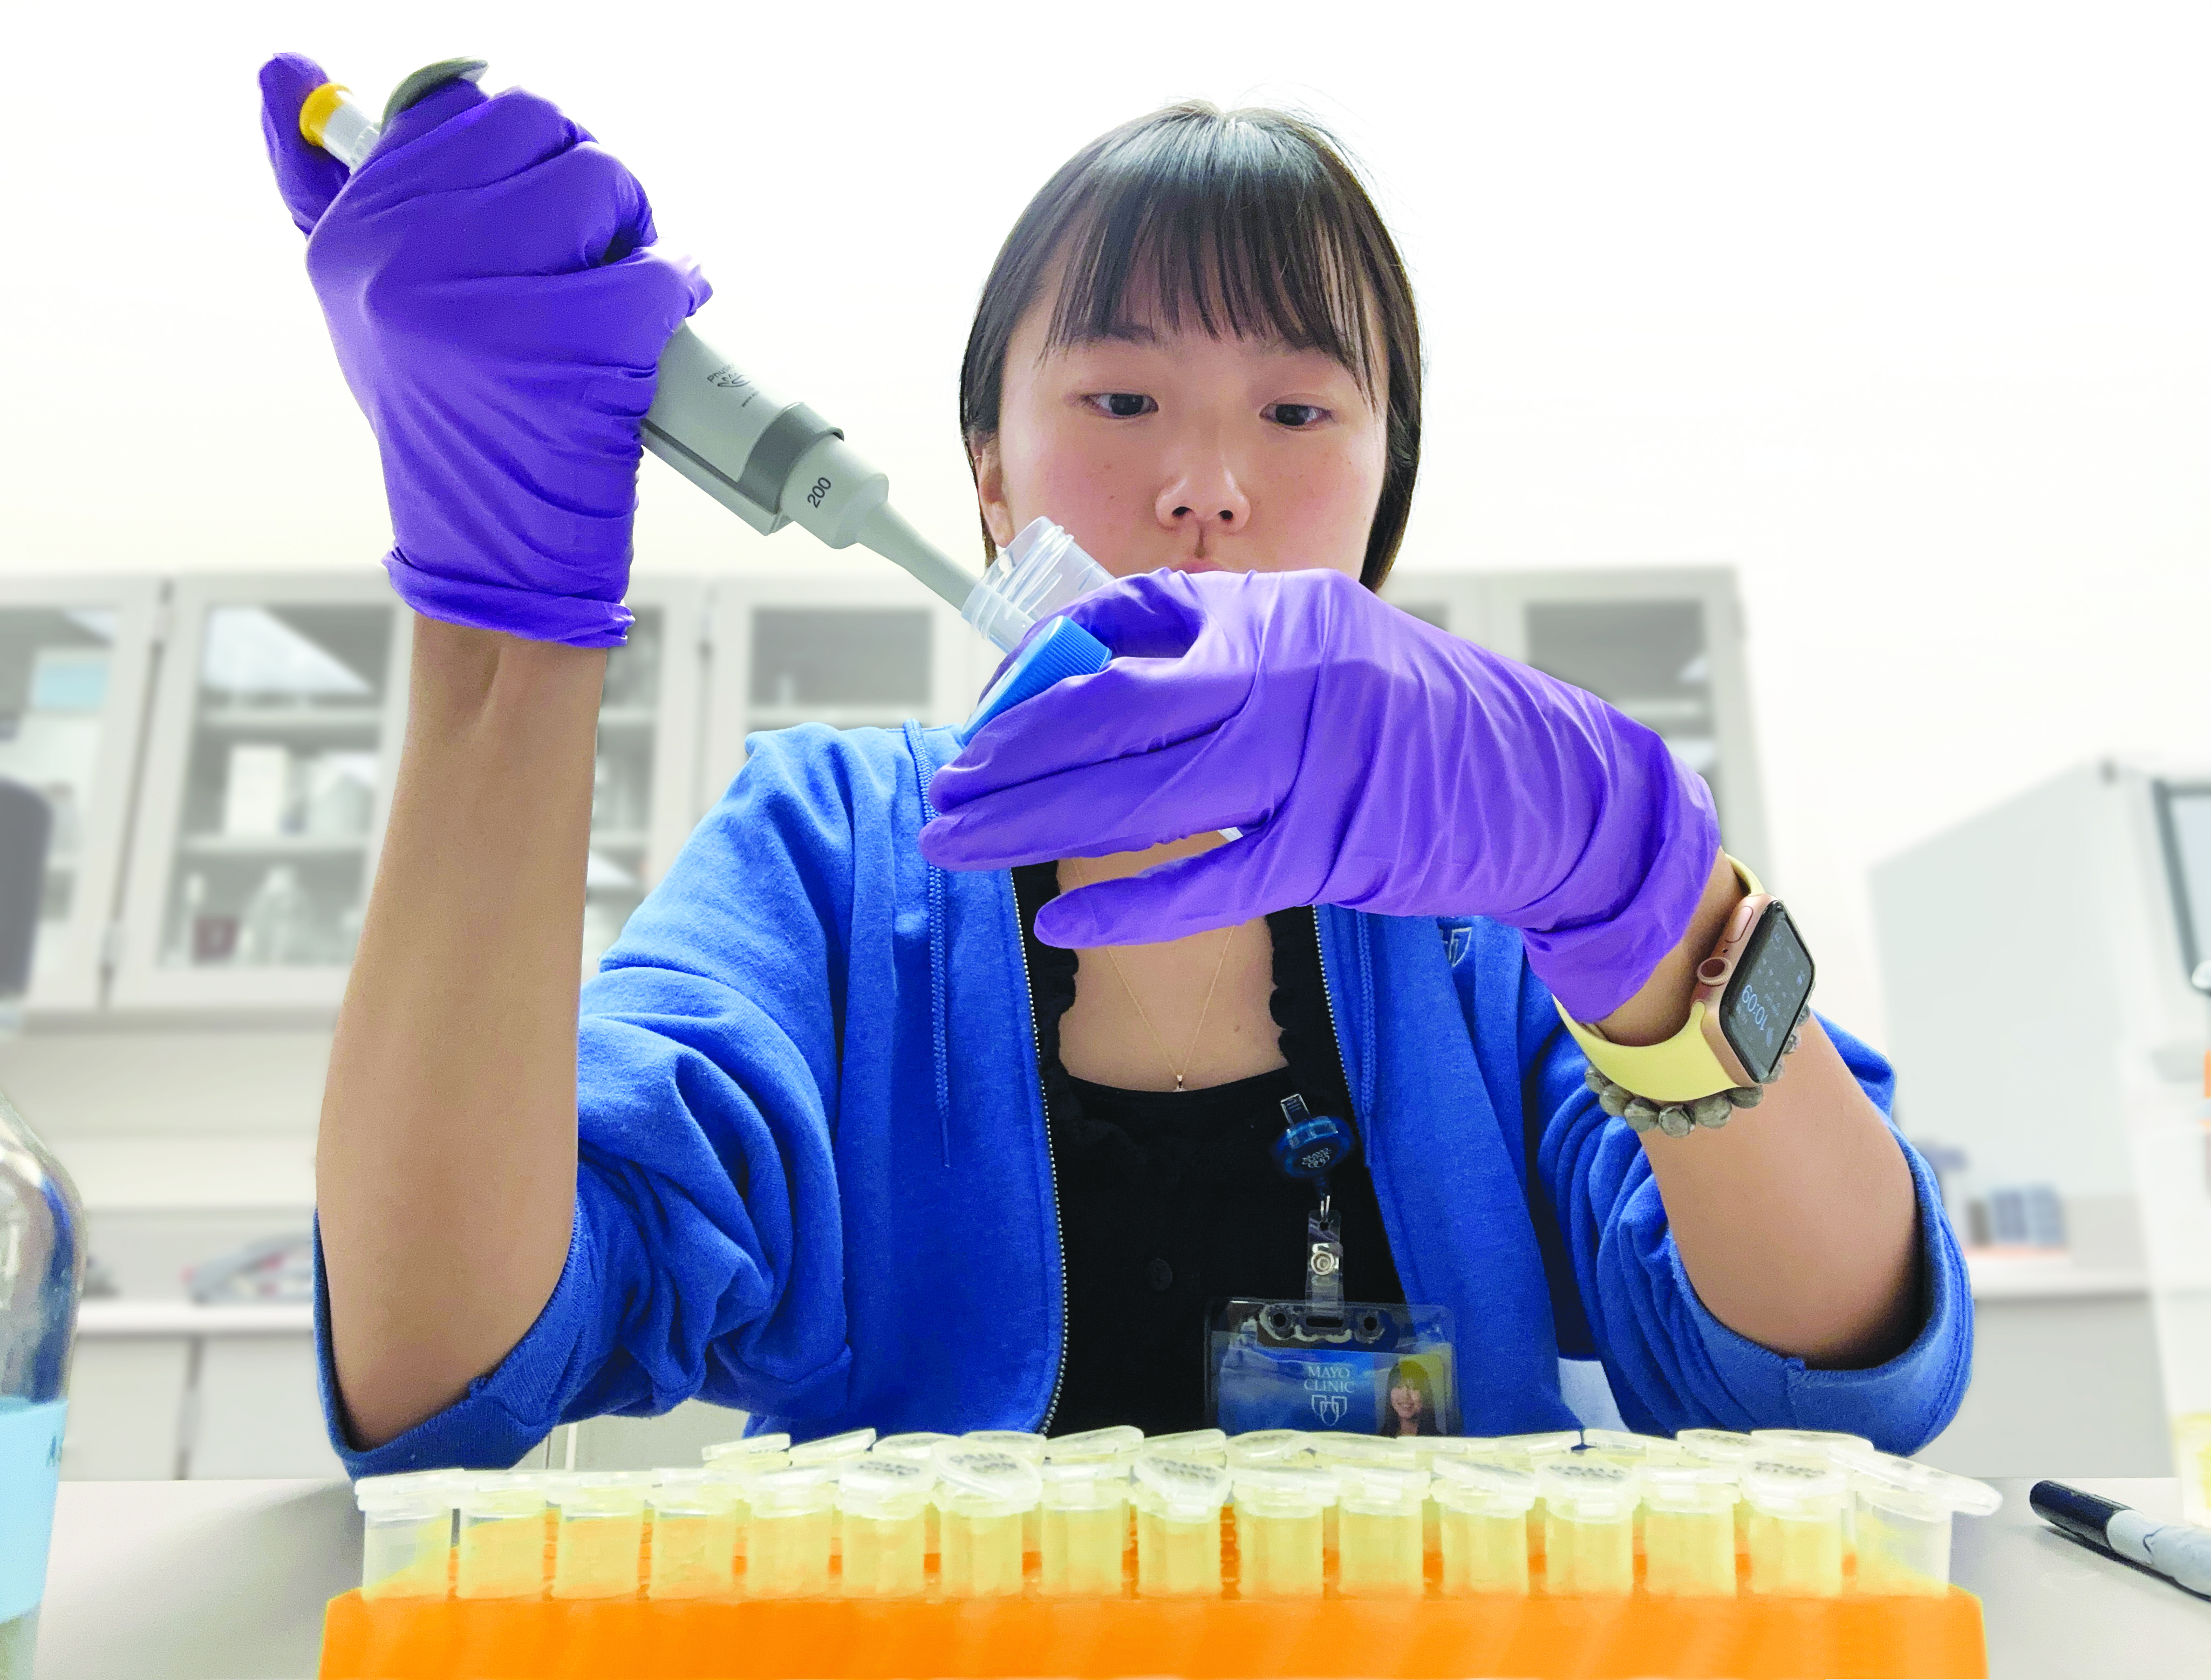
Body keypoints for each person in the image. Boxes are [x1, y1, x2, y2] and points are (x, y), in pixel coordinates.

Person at [255, 54, 1971, 1474]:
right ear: (987, 474)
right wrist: (507, 632)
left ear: (1382, 496)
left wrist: (1636, 887)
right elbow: (445, 1372)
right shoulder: (826, 855)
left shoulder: (1487, 897)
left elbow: (1835, 1380)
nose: (1206, 487)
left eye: (1297, 416)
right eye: (1121, 402)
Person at [1382, 1362, 1438, 1439]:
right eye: (1399, 1387)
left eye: (1414, 1388)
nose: (1405, 1395)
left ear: (1425, 1394)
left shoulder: (1439, 1442)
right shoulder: (1380, 1441)